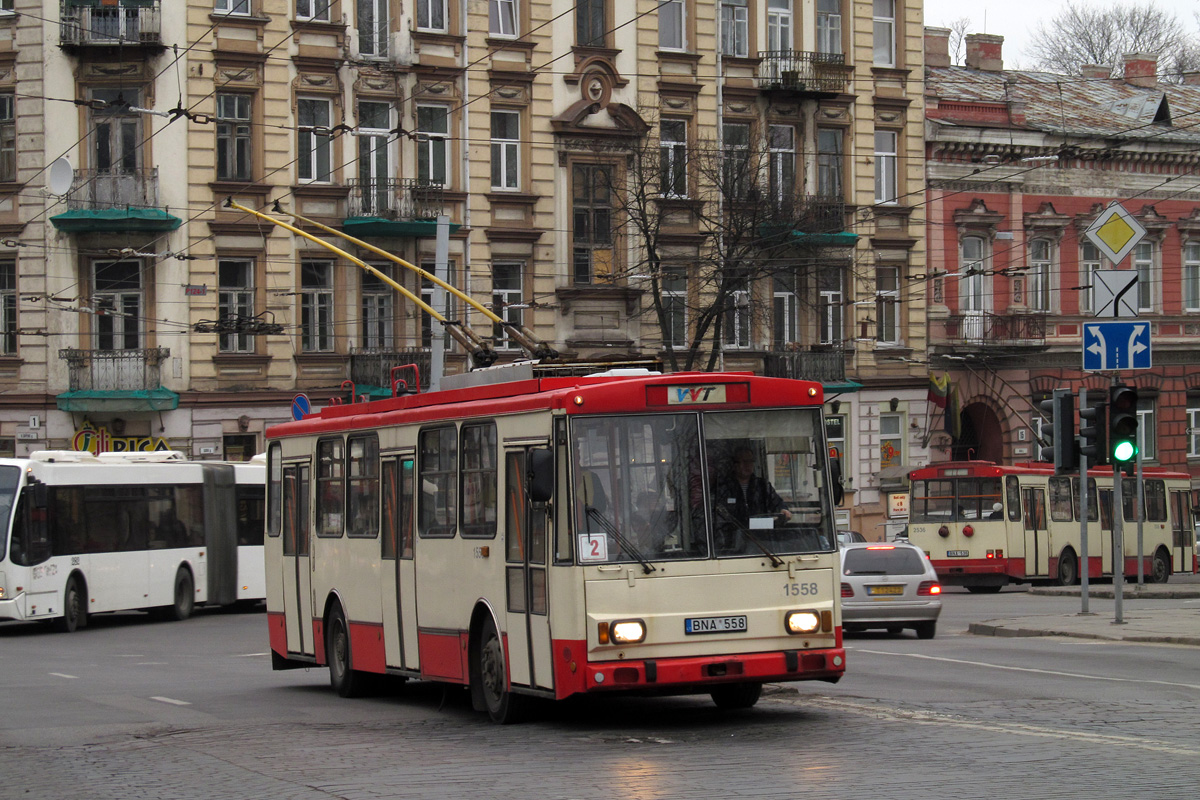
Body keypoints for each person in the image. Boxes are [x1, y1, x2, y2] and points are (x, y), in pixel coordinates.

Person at [713, 446, 791, 527]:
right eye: (744, 461)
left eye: (750, 461)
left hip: (760, 533)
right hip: (734, 534)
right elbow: (718, 515)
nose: (748, 465)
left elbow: (777, 503)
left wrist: (784, 510)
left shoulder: (763, 485)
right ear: (735, 464)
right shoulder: (724, 487)